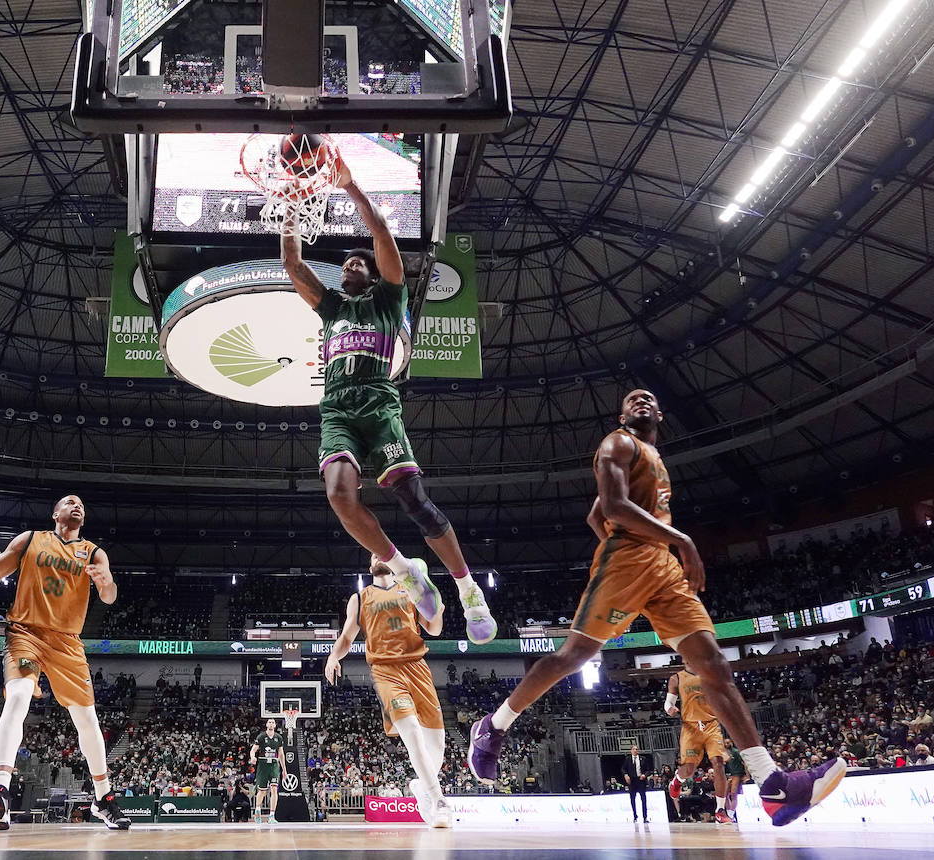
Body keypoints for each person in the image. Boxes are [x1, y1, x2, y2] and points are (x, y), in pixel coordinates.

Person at [465, 389, 846, 826]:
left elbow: (595, 515)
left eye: (649, 398)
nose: (641, 401)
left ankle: (773, 785)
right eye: (632, 399)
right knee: (574, 656)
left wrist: (660, 543)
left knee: (713, 665)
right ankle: (492, 726)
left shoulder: (652, 457)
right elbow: (608, 508)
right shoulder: (617, 443)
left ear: (661, 414)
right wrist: (677, 539)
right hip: (626, 560)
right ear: (622, 414)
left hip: (661, 568)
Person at [280, 152, 496, 645]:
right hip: (337, 407)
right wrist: (291, 201)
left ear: (373, 274)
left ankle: (467, 590)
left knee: (413, 500)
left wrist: (350, 186)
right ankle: (405, 570)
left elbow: (382, 237)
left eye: (359, 261)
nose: (352, 263)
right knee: (338, 495)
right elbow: (292, 262)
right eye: (346, 262)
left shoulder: (389, 297)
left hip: (379, 403)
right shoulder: (331, 307)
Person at [0, 495, 130, 830]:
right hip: (24, 633)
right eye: (70, 502)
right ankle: (0, 793)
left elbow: (109, 595)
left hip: (67, 643)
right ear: (55, 512)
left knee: (87, 719)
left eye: (82, 506)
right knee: (18, 697)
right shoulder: (30, 540)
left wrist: (106, 582)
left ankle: (103, 798)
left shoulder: (93, 551)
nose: (77, 506)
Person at [324, 555, 452, 828]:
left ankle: (422, 786)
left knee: (437, 743)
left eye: (382, 553)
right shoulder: (359, 598)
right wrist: (334, 656)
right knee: (412, 734)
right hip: (385, 671)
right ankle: (439, 799)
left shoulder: (412, 588)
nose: (378, 556)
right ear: (370, 566)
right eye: (373, 554)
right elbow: (347, 637)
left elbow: (435, 629)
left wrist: (437, 609)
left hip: (418, 667)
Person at [665, 665, 731, 824]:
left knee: (718, 763)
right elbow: (668, 703)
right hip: (691, 727)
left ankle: (720, 810)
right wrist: (670, 709)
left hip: (711, 725)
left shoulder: (711, 673)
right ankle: (677, 781)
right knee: (689, 769)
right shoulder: (676, 678)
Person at [249, 719, 287, 824]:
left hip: (274, 764)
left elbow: (281, 754)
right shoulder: (261, 737)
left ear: (275, 725)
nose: (271, 724)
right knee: (262, 791)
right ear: (266, 725)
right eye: (269, 722)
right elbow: (253, 750)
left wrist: (284, 770)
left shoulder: (278, 738)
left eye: (273, 722)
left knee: (274, 789)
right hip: (263, 764)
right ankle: (257, 809)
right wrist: (252, 757)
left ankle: (272, 816)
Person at [723, 736, 748, 821]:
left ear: (731, 743)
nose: (727, 744)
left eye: (728, 742)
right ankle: (729, 813)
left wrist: (747, 775)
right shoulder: (724, 753)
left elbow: (745, 763)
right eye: (725, 743)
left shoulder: (736, 752)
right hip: (729, 775)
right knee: (725, 795)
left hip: (737, 774)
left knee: (734, 794)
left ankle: (731, 814)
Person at [623, 744, 649, 822]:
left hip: (640, 780)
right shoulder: (628, 759)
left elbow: (648, 769)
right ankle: (635, 816)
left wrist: (645, 775)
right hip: (632, 781)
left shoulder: (643, 759)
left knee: (643, 799)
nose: (635, 750)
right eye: (634, 749)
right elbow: (623, 768)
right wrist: (625, 775)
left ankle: (645, 817)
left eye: (637, 749)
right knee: (632, 799)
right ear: (631, 750)